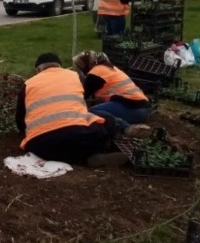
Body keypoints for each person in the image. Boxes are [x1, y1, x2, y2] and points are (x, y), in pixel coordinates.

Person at [15, 52, 146, 168]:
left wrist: (29, 131)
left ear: (38, 69)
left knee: (60, 146)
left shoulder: (28, 84)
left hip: (40, 145)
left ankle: (85, 158)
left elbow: (20, 121)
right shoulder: (72, 76)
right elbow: (81, 104)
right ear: (59, 66)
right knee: (104, 121)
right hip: (80, 135)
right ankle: (96, 152)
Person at [72, 51, 152, 125]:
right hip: (143, 107)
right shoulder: (110, 69)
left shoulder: (94, 74)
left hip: (131, 108)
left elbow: (81, 98)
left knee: (91, 112)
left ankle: (125, 127)